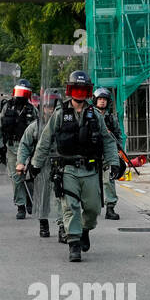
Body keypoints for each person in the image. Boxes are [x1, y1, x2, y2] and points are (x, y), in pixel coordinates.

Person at [31, 70, 119, 263]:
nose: (79, 93)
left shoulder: (95, 115)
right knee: (70, 207)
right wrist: (35, 165)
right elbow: (45, 140)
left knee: (93, 209)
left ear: (87, 92)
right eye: (76, 89)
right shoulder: (60, 114)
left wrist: (114, 163)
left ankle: (85, 230)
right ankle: (74, 243)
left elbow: (108, 141)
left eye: (83, 89)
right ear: (71, 90)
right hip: (67, 169)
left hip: (89, 170)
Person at [17, 91, 55, 239]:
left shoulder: (64, 124)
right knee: (43, 194)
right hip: (41, 164)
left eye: (53, 106)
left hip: (62, 162)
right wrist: (21, 162)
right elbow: (24, 145)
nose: (50, 110)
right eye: (47, 107)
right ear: (42, 108)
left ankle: (63, 226)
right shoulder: (35, 126)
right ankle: (43, 222)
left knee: (63, 196)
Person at [0, 79, 36, 220]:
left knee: (30, 177)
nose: (20, 96)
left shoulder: (32, 110)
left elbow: (38, 130)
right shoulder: (7, 108)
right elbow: (0, 127)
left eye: (24, 93)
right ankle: (21, 205)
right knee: (16, 177)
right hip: (12, 147)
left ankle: (31, 200)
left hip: (27, 148)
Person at [93, 86, 124, 220]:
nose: (102, 102)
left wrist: (119, 151)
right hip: (92, 153)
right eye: (99, 99)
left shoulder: (112, 119)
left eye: (104, 99)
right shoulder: (91, 115)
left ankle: (110, 207)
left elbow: (118, 135)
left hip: (108, 153)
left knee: (109, 179)